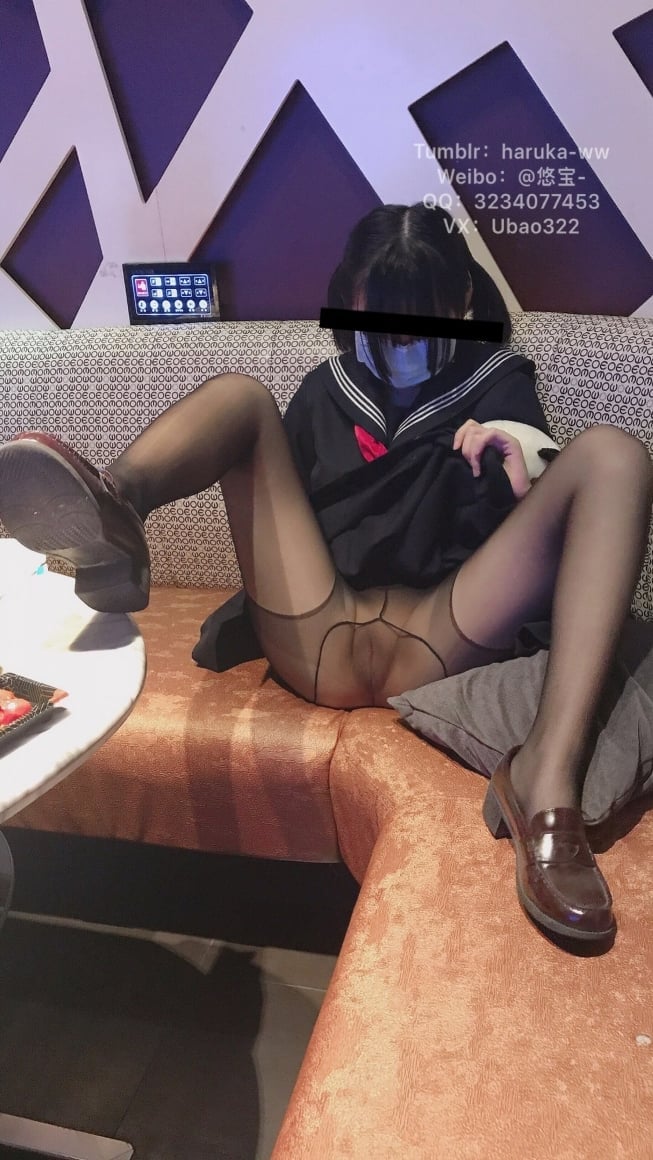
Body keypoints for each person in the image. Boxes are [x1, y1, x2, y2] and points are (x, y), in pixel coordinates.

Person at [0, 203, 651, 946]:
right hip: (318, 631)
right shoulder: (325, 389)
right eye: (381, 321)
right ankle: (117, 512)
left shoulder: (495, 381)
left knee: (614, 456)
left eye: (420, 322)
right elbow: (286, 518)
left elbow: (534, 457)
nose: (400, 345)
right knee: (241, 397)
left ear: (462, 302)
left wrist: (518, 447)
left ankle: (546, 786)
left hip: (440, 636)